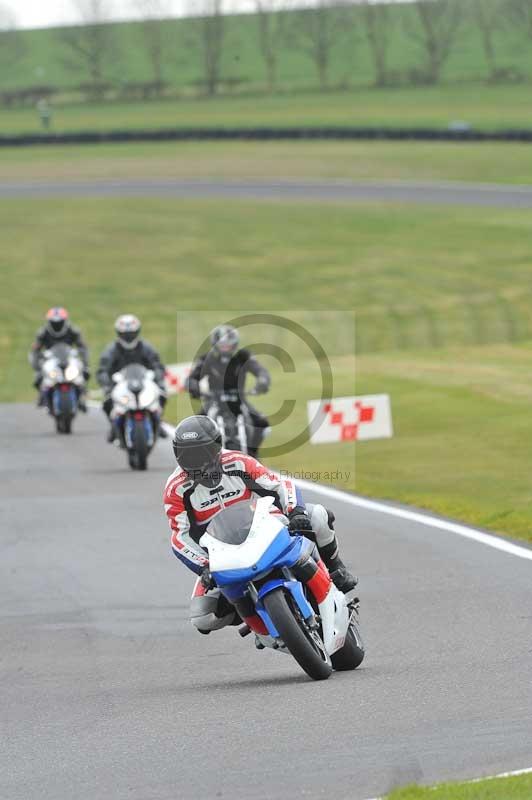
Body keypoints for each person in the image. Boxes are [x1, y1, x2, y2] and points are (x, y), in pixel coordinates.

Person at [163, 415, 357, 635]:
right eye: (187, 454)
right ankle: (249, 610)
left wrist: (296, 511)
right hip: (220, 553)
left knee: (318, 515)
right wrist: (204, 565)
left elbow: (279, 485)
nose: (195, 460)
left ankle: (336, 568)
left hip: (264, 529)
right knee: (202, 617)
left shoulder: (238, 462)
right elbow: (180, 536)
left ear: (216, 446)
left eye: (201, 452)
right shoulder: (176, 488)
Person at [186, 324, 270, 458]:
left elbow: (260, 371)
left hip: (239, 399)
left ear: (235, 344)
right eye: (222, 345)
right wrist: (194, 387)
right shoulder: (207, 359)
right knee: (195, 428)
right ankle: (202, 457)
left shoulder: (243, 356)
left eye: (228, 345)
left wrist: (262, 381)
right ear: (215, 344)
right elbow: (192, 378)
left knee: (262, 423)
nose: (225, 347)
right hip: (213, 400)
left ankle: (253, 454)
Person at [97, 314, 167, 442]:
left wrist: (158, 378)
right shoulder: (111, 350)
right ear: (119, 333)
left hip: (144, 383)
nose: (128, 337)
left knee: (162, 394)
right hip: (119, 385)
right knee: (107, 401)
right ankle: (113, 426)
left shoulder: (146, 348)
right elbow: (103, 370)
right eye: (125, 334)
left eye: (131, 334)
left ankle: (158, 421)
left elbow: (157, 365)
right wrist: (107, 384)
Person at [29, 307, 89, 409]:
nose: (57, 325)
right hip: (50, 359)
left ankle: (82, 397)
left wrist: (85, 362)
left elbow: (82, 346)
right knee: (39, 377)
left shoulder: (72, 330)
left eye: (59, 322)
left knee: (83, 373)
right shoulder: (43, 332)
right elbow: (35, 350)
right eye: (54, 323)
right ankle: (42, 396)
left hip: (68, 358)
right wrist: (37, 365)